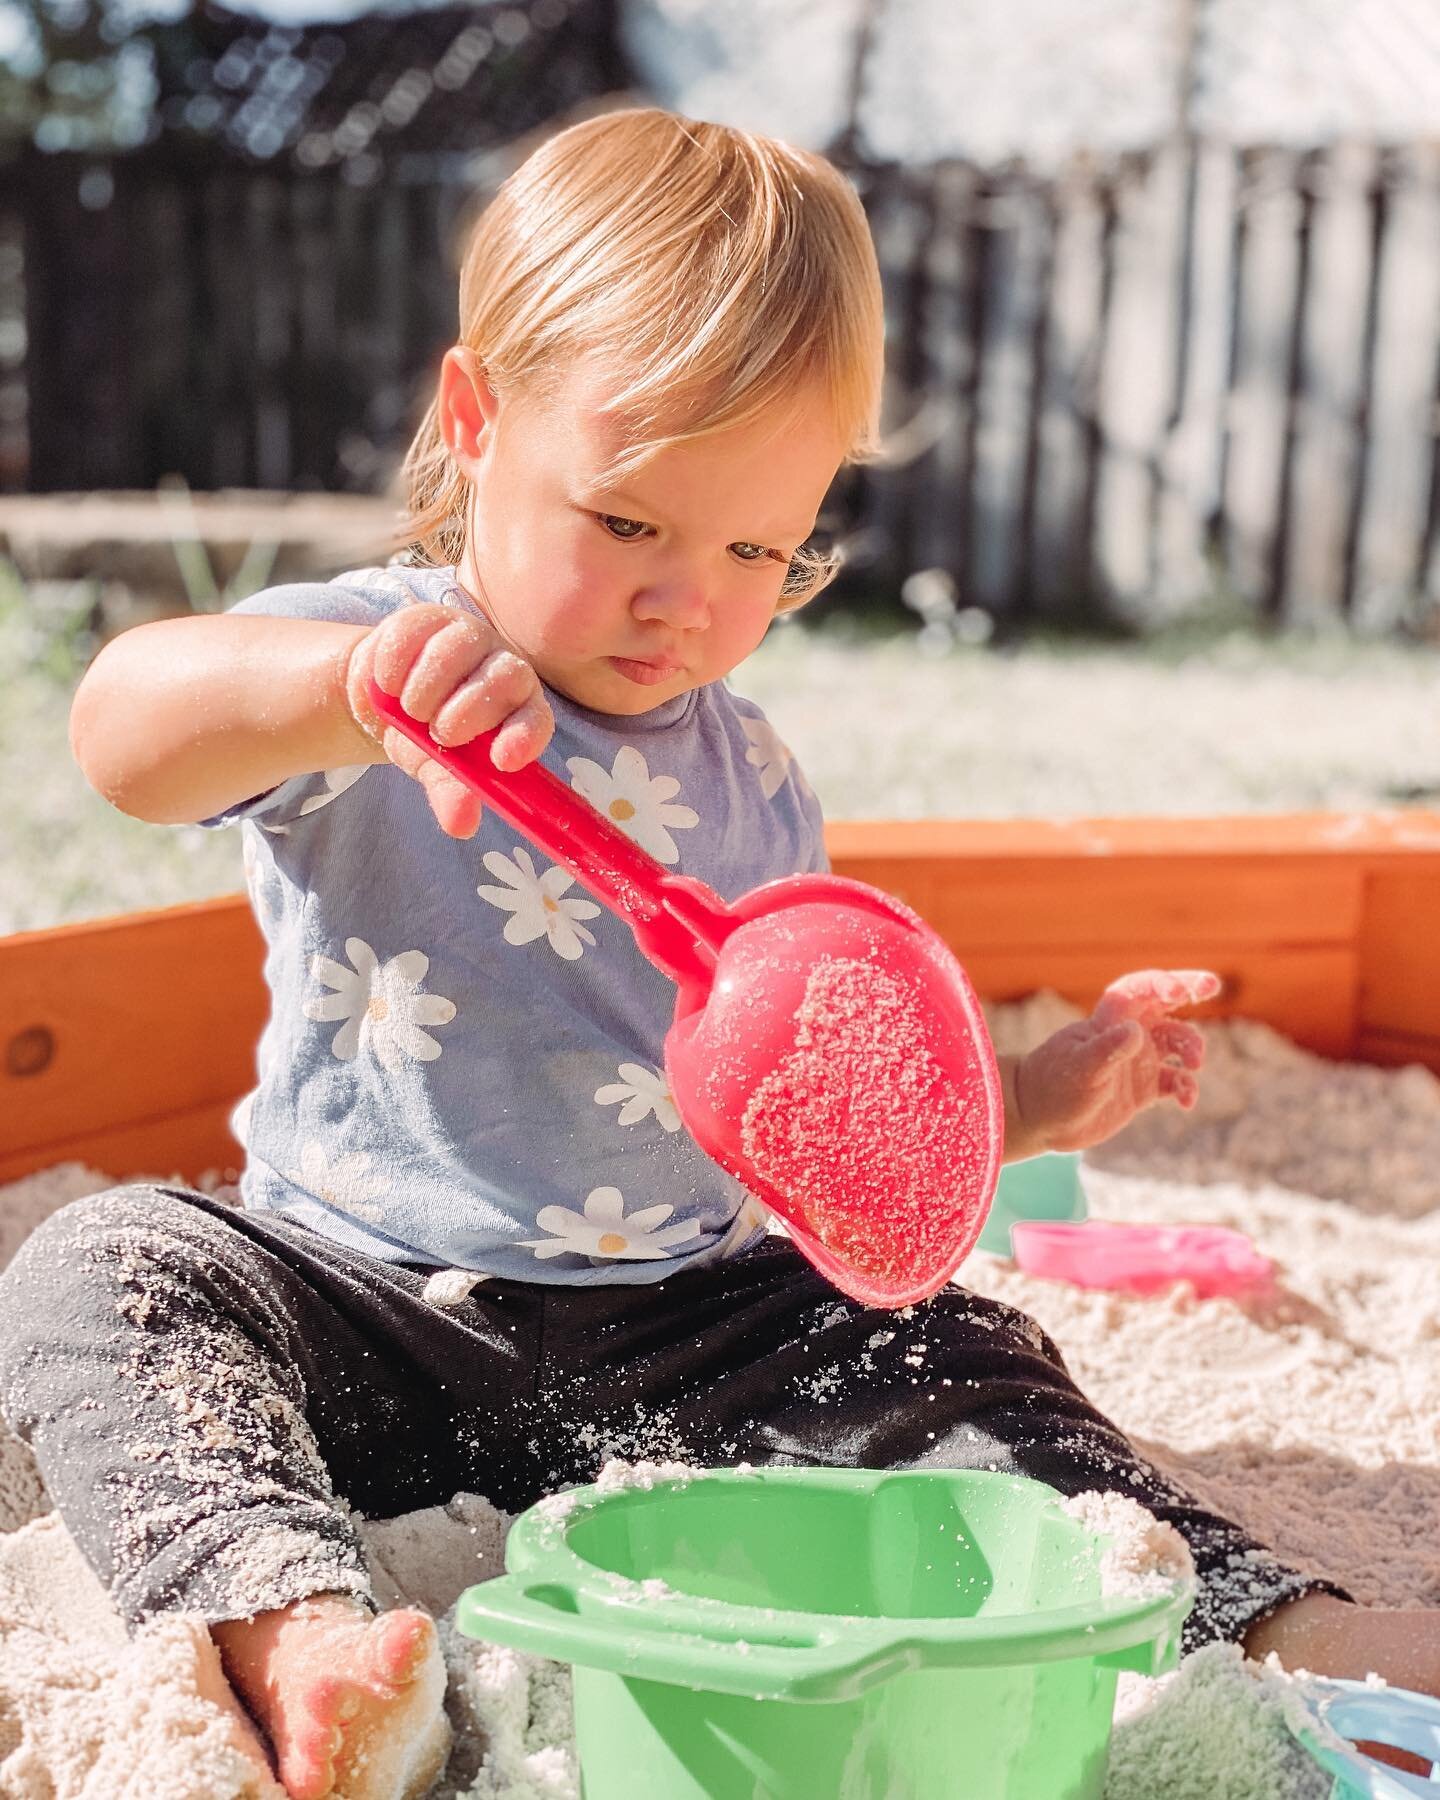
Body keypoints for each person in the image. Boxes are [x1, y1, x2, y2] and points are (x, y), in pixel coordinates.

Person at [3, 109, 1434, 1800]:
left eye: (759, 548)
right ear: (476, 424)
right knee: (110, 1271)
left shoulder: (749, 775)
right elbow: (124, 730)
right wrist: (342, 698)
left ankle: (1277, 1620)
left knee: (967, 1357)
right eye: (626, 525)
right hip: (366, 1304)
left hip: (689, 1333)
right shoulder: (372, 658)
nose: (688, 597)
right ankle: (290, 1621)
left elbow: (824, 1107)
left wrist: (1033, 1098)